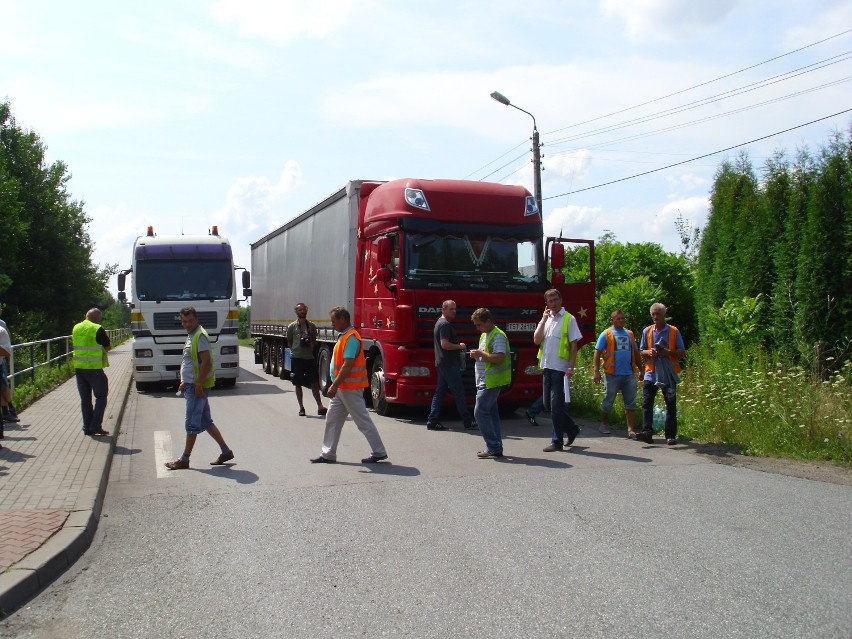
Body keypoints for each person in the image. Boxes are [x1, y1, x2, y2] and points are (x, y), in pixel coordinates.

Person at [310, 307, 388, 464]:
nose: (332, 324)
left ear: (343, 320)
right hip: (343, 388)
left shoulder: (351, 338)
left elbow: (348, 365)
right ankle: (328, 454)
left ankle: (379, 451)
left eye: (333, 321)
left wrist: (333, 385)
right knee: (332, 420)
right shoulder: (344, 336)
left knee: (362, 420)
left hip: (349, 388)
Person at [165, 307, 234, 470]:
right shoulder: (192, 335)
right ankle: (226, 451)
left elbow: (206, 361)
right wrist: (184, 380)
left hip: (196, 387)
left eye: (190, 320)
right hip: (191, 384)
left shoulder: (199, 335)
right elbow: (189, 361)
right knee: (205, 422)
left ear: (197, 319)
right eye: (184, 321)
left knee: (191, 424)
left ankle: (184, 459)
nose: (187, 324)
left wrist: (198, 384)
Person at [534, 289, 582, 452]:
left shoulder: (569, 319)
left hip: (560, 368)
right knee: (548, 404)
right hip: (547, 366)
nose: (553, 304)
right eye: (549, 301)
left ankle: (557, 441)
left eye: (555, 300)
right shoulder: (547, 319)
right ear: (546, 303)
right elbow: (536, 340)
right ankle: (572, 428)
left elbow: (574, 345)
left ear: (561, 300)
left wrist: (570, 367)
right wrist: (543, 319)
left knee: (556, 406)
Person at [636, 303, 685, 446]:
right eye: (653, 314)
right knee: (646, 403)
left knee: (670, 404)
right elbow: (641, 351)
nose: (655, 317)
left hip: (668, 374)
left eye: (658, 314)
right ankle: (647, 433)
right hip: (651, 373)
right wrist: (649, 352)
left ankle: (670, 435)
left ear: (664, 315)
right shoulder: (647, 331)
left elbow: (681, 352)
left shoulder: (673, 331)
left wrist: (668, 352)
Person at [426, 300, 474, 431]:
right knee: (458, 392)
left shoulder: (440, 323)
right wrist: (460, 346)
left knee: (439, 392)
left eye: (455, 309)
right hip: (448, 364)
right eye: (451, 309)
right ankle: (468, 421)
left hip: (442, 363)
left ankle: (432, 420)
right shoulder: (445, 325)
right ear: (443, 309)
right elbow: (445, 344)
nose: (454, 311)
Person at [592, 309, 642, 438]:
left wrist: (641, 369)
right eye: (618, 318)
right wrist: (596, 371)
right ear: (613, 320)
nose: (621, 320)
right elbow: (597, 352)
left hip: (629, 374)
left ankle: (631, 429)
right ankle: (603, 424)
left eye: (623, 318)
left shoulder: (630, 334)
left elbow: (636, 353)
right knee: (608, 401)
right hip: (611, 374)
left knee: (631, 403)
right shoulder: (606, 334)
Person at [469, 307, 510, 459]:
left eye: (479, 325)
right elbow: (486, 356)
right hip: (485, 380)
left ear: (488, 321)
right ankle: (495, 446)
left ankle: (493, 446)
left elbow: (499, 358)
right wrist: (478, 356)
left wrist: (480, 354)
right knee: (491, 414)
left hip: (491, 381)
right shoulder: (485, 335)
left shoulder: (498, 336)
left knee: (479, 412)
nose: (478, 328)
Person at [72, 308, 112, 436]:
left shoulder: (76, 327)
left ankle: (87, 427)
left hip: (79, 368)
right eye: (100, 318)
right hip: (93, 368)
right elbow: (107, 346)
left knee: (85, 399)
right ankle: (95, 425)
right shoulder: (97, 328)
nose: (101, 320)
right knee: (101, 396)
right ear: (96, 318)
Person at [286, 302, 327, 417]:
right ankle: (301, 407)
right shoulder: (292, 327)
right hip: (297, 359)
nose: (302, 312)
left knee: (314, 383)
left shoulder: (312, 326)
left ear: (306, 311)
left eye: (304, 310)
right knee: (298, 383)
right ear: (296, 312)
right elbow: (289, 341)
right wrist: (294, 350)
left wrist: (310, 345)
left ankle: (320, 406)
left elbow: (314, 340)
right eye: (300, 310)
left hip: (309, 358)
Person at [0, 305, 20, 423]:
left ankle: (9, 410)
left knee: (3, 384)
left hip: (1, 360)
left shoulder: (2, 324)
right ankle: (8, 410)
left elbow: (7, 344)